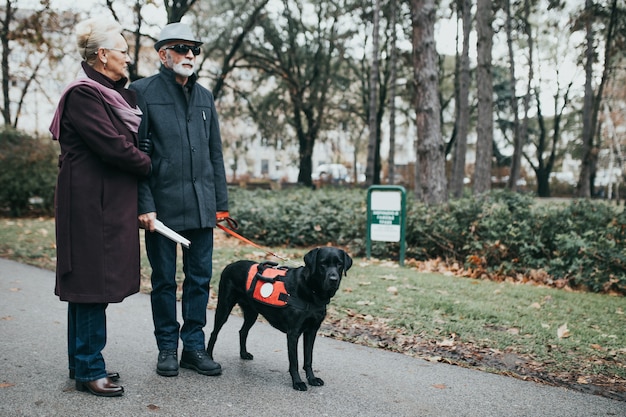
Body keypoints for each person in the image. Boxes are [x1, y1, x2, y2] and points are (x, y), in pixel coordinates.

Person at [49, 18, 151, 397]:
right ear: (102, 55)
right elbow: (113, 146)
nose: (128, 59)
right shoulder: (83, 95)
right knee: (91, 284)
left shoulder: (109, 92)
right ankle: (90, 367)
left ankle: (84, 363)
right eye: (122, 52)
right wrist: (147, 162)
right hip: (90, 203)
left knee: (91, 285)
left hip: (104, 202)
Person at [129, 22, 229, 378]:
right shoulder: (141, 92)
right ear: (163, 54)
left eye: (194, 49)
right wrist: (144, 204)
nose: (189, 55)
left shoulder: (205, 96)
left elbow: (215, 154)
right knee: (164, 281)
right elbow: (136, 155)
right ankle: (167, 348)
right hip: (163, 208)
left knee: (200, 279)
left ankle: (194, 348)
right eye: (182, 48)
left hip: (202, 206)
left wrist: (221, 203)